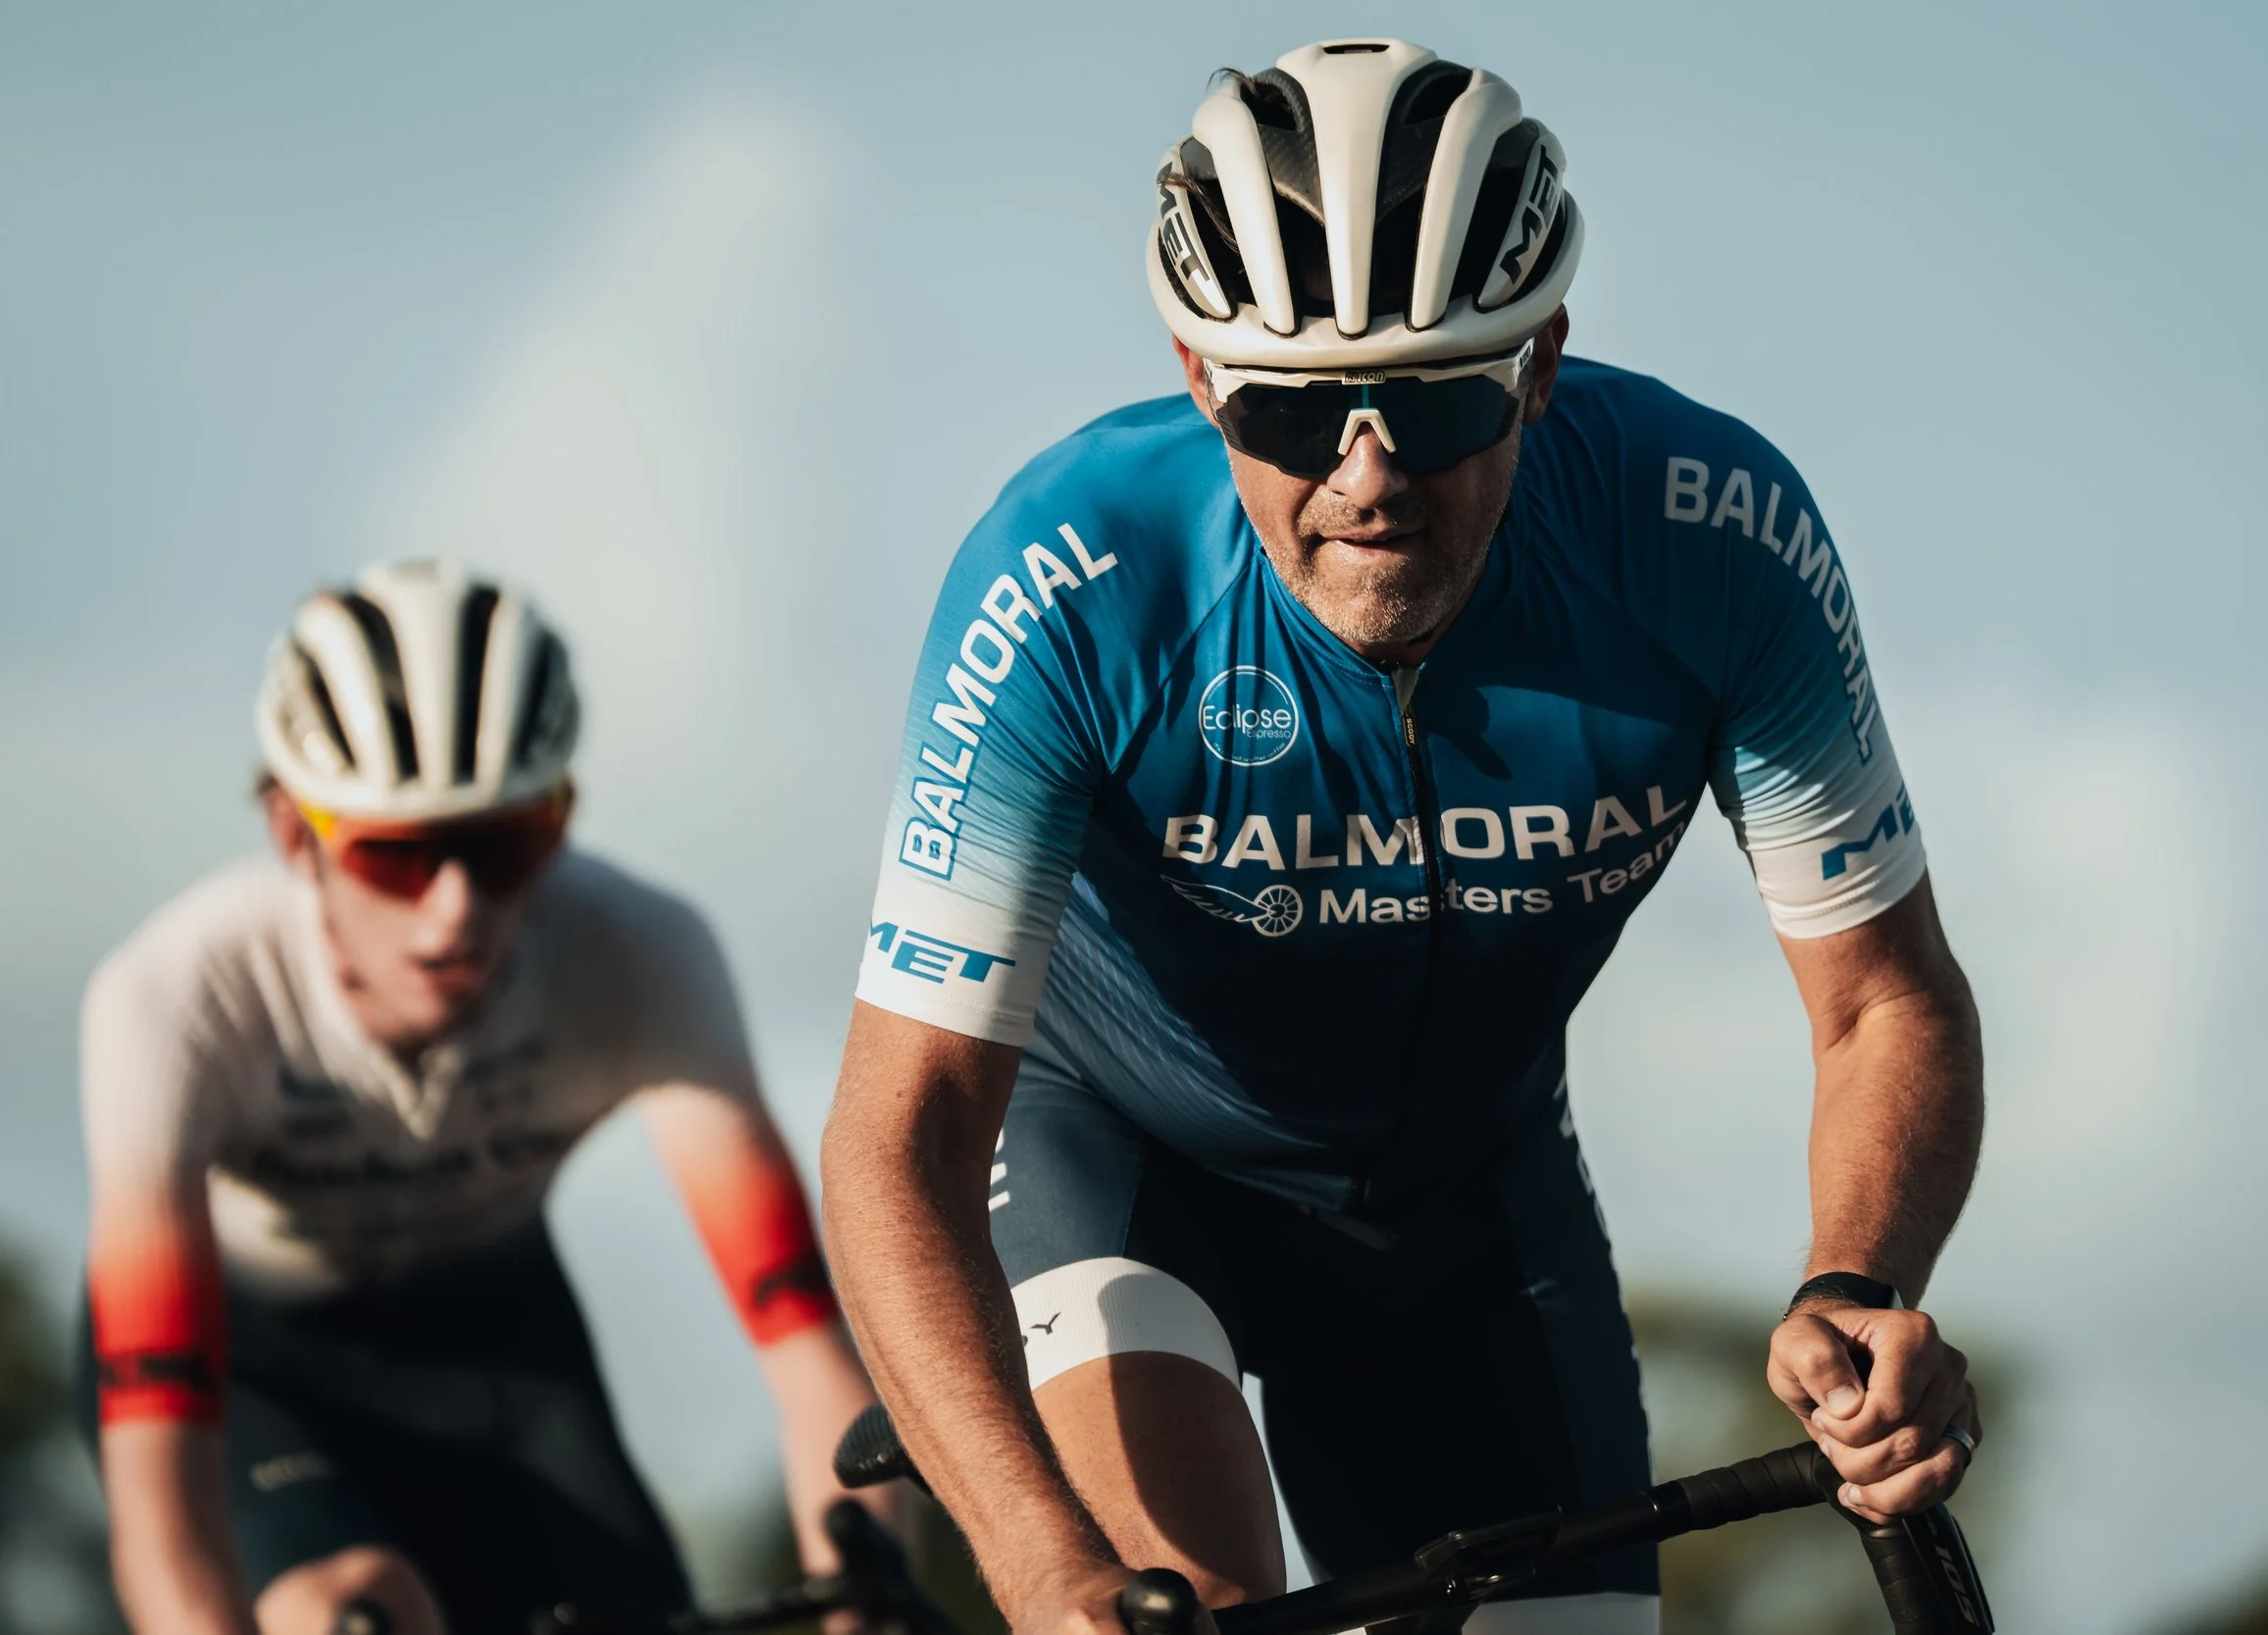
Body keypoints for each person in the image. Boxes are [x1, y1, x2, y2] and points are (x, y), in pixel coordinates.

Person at [820, 36, 1986, 1635]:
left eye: (1432, 400)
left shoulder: (1712, 542)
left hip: (1465, 1201)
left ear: (1542, 358)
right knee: (1185, 1611)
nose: (1367, 480)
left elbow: (1884, 1001)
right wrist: (1039, 1560)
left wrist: (1857, 1281)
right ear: (1194, 373)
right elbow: (902, 1135)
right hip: (1116, 1158)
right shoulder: (1068, 581)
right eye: (1294, 412)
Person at [77, 559, 883, 1635]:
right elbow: (158, 1490)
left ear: (564, 816)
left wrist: (867, 1593)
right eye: (396, 857)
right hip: (254, 1358)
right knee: (358, 1610)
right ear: (294, 834)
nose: (454, 909)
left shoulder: (639, 954)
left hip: (494, 1332)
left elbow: (804, 1345)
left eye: (505, 847)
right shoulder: (176, 998)